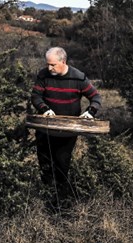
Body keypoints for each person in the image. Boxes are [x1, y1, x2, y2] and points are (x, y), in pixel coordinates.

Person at [30, 47, 101, 200]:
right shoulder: (43, 75)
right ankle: (45, 196)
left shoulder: (78, 77)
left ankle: (62, 199)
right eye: (48, 64)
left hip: (68, 130)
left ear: (63, 61)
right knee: (45, 163)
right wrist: (44, 109)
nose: (49, 68)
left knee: (62, 163)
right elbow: (36, 96)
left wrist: (90, 112)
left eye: (53, 65)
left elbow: (95, 97)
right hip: (45, 128)